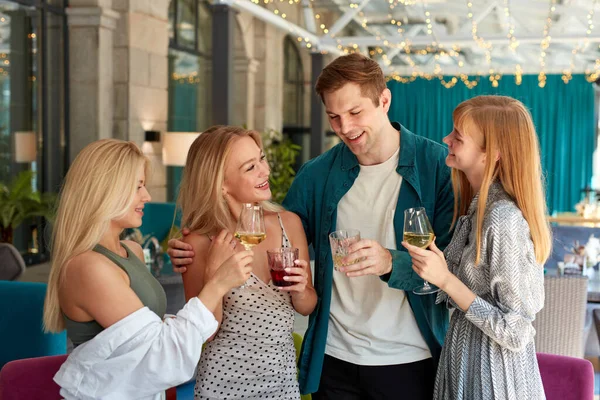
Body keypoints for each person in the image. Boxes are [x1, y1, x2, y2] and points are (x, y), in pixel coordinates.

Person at [169, 54, 454, 399]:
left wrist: (390, 262)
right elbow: (272, 238)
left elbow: (452, 265)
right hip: (333, 357)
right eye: (334, 117)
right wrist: (194, 249)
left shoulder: (437, 166)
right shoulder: (316, 175)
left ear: (384, 100)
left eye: (355, 113)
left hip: (409, 356)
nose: (345, 128)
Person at [42, 139, 252, 400]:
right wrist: (217, 282)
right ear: (106, 190)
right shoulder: (87, 267)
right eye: (137, 186)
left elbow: (146, 335)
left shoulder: (132, 250)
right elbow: (163, 358)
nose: (147, 196)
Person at [403, 95, 551, 399]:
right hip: (466, 364)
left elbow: (515, 331)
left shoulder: (502, 218)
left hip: (494, 379)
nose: (446, 139)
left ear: (491, 154)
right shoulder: (477, 208)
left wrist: (445, 279)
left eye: (458, 136)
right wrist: (438, 267)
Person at [176, 125, 317, 399]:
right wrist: (214, 273)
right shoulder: (199, 243)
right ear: (221, 183)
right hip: (222, 384)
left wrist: (301, 290)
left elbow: (306, 306)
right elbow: (205, 334)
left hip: (282, 381)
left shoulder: (288, 223)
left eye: (261, 159)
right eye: (250, 167)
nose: (265, 171)